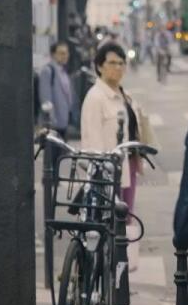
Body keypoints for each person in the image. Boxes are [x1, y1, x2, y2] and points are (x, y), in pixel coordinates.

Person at [81, 42, 148, 271]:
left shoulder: (123, 95)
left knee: (126, 218)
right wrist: (102, 170)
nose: (117, 68)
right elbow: (92, 140)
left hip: (127, 166)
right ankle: (107, 273)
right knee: (109, 222)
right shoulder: (96, 97)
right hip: (107, 171)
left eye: (121, 63)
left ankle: (121, 271)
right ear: (99, 67)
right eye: (112, 63)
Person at [37, 41, 74, 137]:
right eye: (61, 53)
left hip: (63, 122)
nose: (65, 56)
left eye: (66, 53)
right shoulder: (48, 71)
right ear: (53, 55)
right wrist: (51, 121)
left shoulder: (63, 72)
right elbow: (45, 98)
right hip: (53, 125)